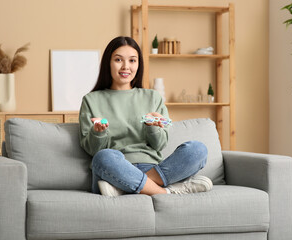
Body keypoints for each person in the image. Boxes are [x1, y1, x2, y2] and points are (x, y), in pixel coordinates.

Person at [79, 36, 212, 196]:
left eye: (132, 61)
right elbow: (93, 150)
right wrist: (98, 133)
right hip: (114, 169)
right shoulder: (91, 100)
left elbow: (160, 145)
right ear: (108, 62)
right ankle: (165, 192)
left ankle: (124, 188)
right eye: (118, 60)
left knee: (198, 150)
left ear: (139, 64)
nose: (126, 66)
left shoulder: (153, 97)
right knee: (103, 157)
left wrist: (153, 128)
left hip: (153, 168)